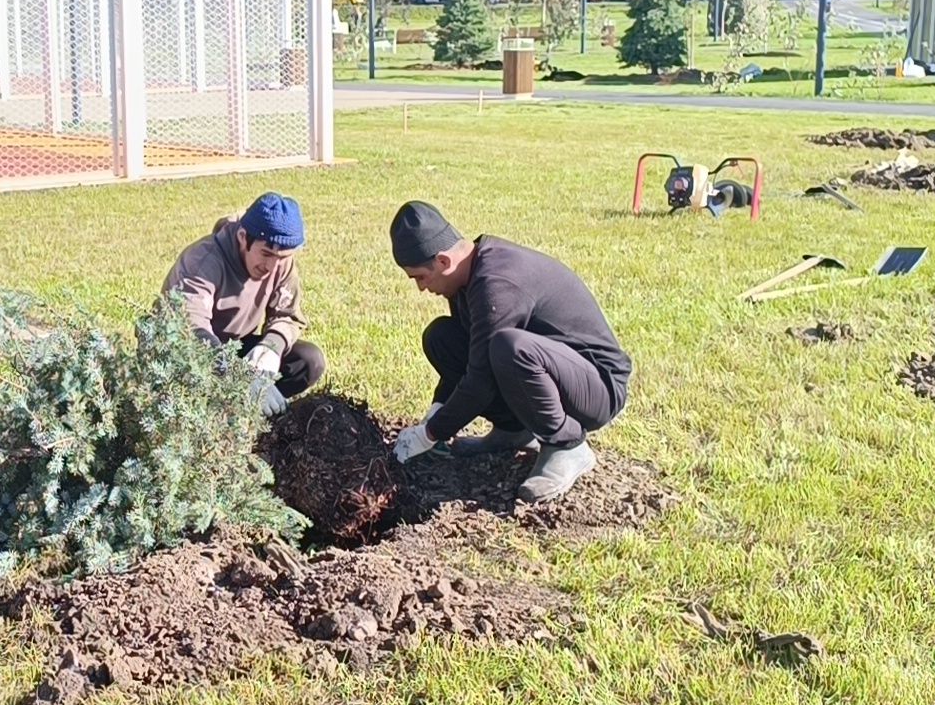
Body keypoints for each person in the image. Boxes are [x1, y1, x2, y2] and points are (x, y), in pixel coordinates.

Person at [386, 200, 631, 502]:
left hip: (598, 386)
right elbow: (473, 354)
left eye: (420, 277)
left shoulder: (496, 283)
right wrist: (436, 409)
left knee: (509, 348)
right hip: (551, 372)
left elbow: (480, 379)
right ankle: (513, 430)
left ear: (443, 261)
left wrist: (430, 434)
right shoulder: (467, 275)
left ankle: (567, 445)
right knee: (442, 337)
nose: (421, 288)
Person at [162, 192, 325, 416]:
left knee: (308, 361)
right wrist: (240, 377)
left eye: (282, 257)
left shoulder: (280, 261)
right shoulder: (202, 263)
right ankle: (219, 416)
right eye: (265, 254)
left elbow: (287, 315)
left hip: (236, 348)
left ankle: (255, 412)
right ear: (242, 237)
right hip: (187, 357)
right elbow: (190, 331)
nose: (271, 267)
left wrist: (271, 347)